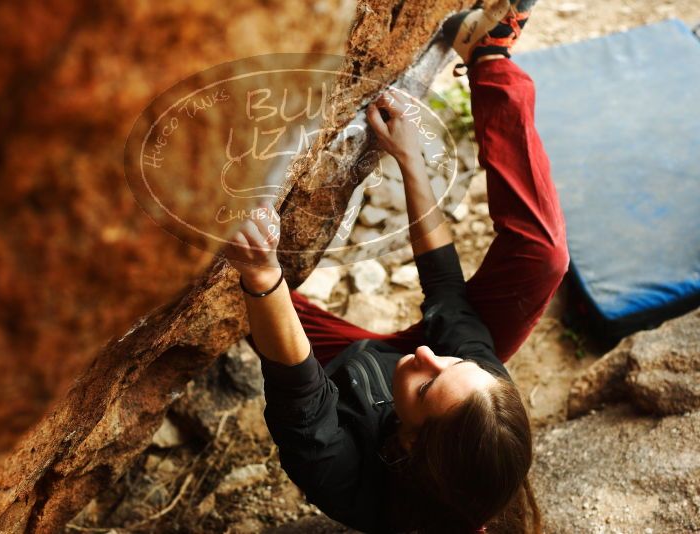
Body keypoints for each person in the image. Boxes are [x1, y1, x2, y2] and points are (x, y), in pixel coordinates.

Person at [224, 0, 568, 531]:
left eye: (431, 384)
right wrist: (412, 161)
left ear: (406, 446)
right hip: (386, 373)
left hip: (333, 377)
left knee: (233, 294)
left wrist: (262, 279)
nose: (431, 354)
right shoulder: (479, 399)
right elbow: (447, 295)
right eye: (457, 365)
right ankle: (489, 53)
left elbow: (300, 392)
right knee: (543, 259)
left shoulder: (346, 479)